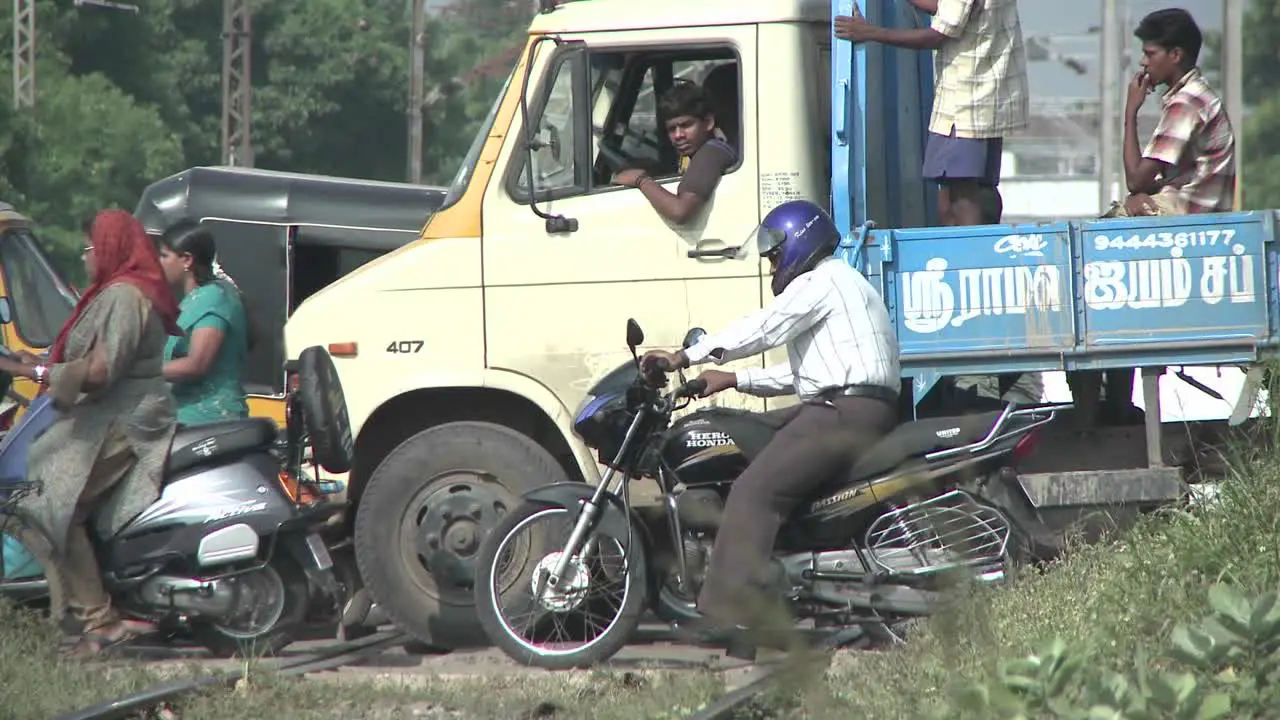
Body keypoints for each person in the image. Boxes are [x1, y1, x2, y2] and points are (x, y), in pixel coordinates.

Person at [640, 200, 900, 646]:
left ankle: (730, 615)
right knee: (749, 438)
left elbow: (764, 327)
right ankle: (780, 561)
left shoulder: (821, 282)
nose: (772, 265)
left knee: (753, 491)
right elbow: (805, 375)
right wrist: (733, 380)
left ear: (799, 241)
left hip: (841, 412)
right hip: (842, 405)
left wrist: (687, 355)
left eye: (774, 254)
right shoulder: (843, 284)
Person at [0, 209, 182, 658]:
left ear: (111, 248)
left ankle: (101, 622)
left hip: (125, 419)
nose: (85, 259)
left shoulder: (125, 296)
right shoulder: (118, 292)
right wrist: (29, 367)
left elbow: (101, 371)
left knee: (56, 502)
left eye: (90, 248)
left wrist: (33, 369)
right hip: (111, 412)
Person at [835, 0, 1029, 227]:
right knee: (961, 194)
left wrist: (871, 32)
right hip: (985, 98)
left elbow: (939, 34)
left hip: (965, 101)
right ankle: (976, 252)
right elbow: (951, 7)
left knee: (961, 195)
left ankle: (972, 259)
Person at [1105, 8, 1235, 218]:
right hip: (1195, 208)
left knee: (1116, 218)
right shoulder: (1195, 95)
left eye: (1150, 54)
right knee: (1133, 202)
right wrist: (1141, 193)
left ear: (1175, 55)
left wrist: (1130, 113)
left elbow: (1136, 180)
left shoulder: (1187, 103)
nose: (1143, 62)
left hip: (1192, 214)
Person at [156, 223, 251, 426]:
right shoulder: (196, 298)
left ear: (187, 260)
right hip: (182, 412)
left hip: (208, 418)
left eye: (164, 256)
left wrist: (136, 370)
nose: (158, 262)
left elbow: (197, 364)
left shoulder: (214, 297)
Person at [612, 81, 737, 225]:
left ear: (708, 122)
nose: (678, 135)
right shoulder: (694, 154)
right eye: (672, 129)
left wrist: (641, 180)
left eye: (686, 125)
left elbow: (680, 212)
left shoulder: (712, 151)